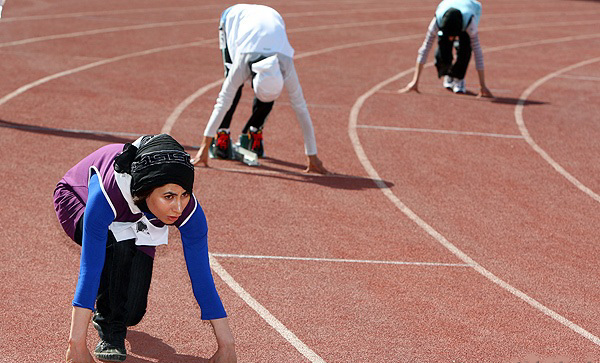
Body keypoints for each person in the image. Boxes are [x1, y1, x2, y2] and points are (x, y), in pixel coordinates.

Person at [53, 134, 236, 363]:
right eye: (169, 197)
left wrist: (227, 344)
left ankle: (113, 310)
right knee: (118, 245)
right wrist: (76, 344)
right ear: (147, 190)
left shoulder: (188, 211)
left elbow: (201, 276)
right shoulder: (105, 195)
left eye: (184, 195)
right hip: (77, 199)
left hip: (138, 214)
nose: (178, 207)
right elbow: (90, 268)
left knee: (132, 312)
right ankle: (111, 332)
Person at [191, 4, 328, 174]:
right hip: (233, 19)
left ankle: (253, 131)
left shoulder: (286, 64)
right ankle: (222, 135)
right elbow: (222, 101)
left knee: (267, 95)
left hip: (270, 19)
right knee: (233, 86)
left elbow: (301, 109)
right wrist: (204, 146)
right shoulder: (242, 62)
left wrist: (312, 155)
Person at [400, 0, 493, 97]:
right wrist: (415, 82)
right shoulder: (437, 22)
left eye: (453, 36)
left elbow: (478, 53)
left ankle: (458, 77)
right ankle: (448, 73)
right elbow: (425, 48)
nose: (451, 39)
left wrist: (483, 85)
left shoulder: (470, 23)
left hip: (471, 11)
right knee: (442, 50)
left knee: (465, 47)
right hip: (448, 11)